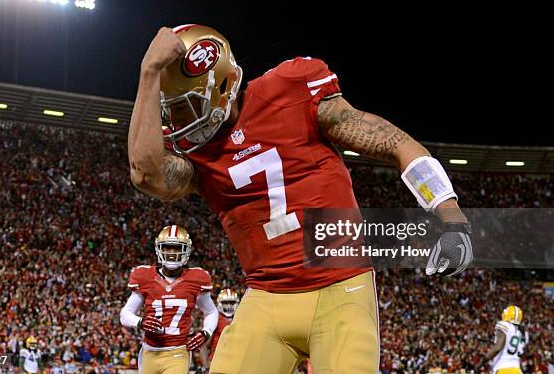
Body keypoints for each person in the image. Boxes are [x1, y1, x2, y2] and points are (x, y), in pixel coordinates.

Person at [128, 24, 473, 373]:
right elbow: (146, 175)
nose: (181, 120)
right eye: (173, 110)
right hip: (265, 297)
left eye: (188, 107)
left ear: (222, 85)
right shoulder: (200, 156)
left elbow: (395, 143)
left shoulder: (289, 91)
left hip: (341, 289)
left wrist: (451, 216)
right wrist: (149, 72)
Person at [120, 225, 219, 374]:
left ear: (186, 251)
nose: (172, 253)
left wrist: (206, 332)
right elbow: (125, 314)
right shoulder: (144, 276)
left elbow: (211, 312)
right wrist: (140, 322)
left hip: (178, 351)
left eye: (177, 248)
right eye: (167, 248)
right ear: (159, 249)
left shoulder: (196, 279)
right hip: (149, 352)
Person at [483, 305, 528, 374]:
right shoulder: (522, 333)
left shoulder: (504, 325)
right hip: (517, 370)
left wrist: (482, 361)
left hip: (503, 368)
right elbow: (520, 354)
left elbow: (498, 347)